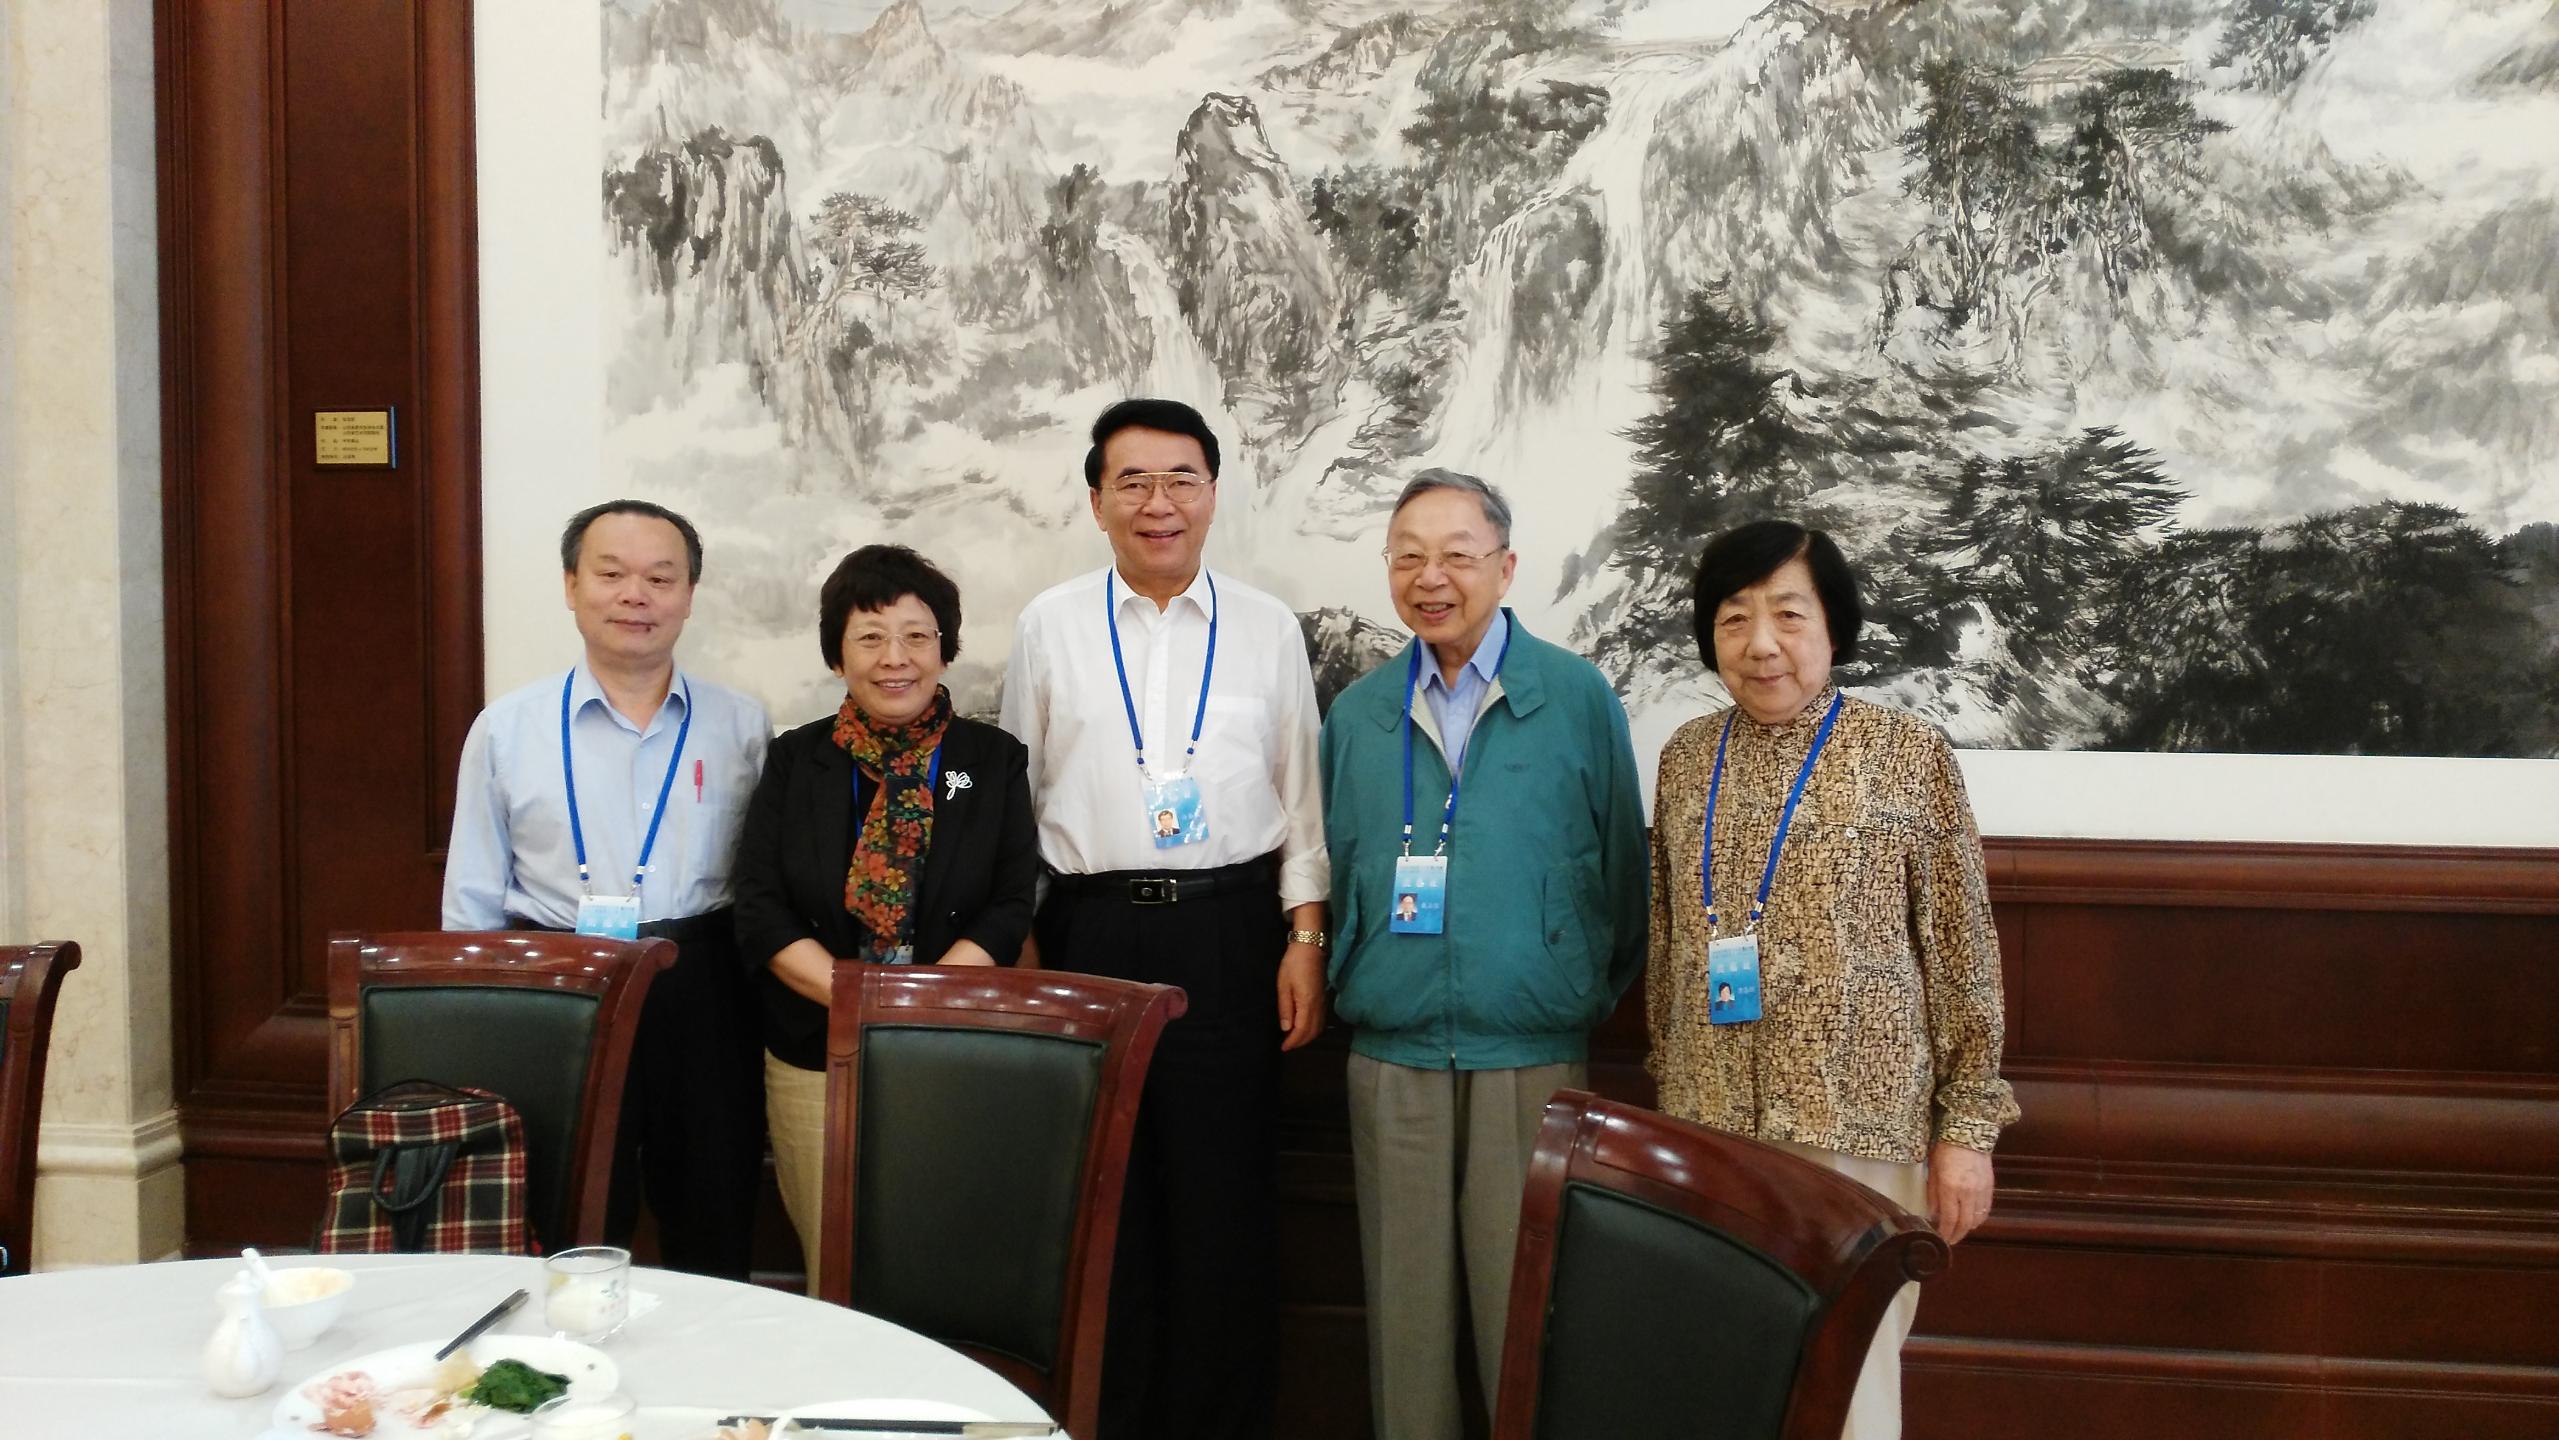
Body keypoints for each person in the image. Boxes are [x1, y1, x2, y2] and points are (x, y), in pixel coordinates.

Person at [1000, 398, 1328, 1440]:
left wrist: (1305, 938)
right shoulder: (1050, 624)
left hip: (1227, 934)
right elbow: (1014, 799)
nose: (1159, 503)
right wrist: (1025, 944)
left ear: (1214, 494)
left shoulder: (1266, 627)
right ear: (1097, 500)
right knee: (1104, 1203)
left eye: (1181, 478)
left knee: (1222, 1206)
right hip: (1089, 933)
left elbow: (1302, 796)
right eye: (1132, 481)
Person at [1647, 519, 2019, 1440]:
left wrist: (1966, 1130)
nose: (1760, 644)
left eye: (1787, 614)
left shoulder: (1905, 753)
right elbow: (1667, 937)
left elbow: (1961, 949)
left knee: (1848, 1383)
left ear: (1834, 627)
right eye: (1733, 618)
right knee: (1728, 1374)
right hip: (1714, 1123)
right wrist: (1672, 1091)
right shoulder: (1685, 757)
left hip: (1862, 1126)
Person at [1317, 470, 1648, 1440]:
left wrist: (1559, 981)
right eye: (1408, 556)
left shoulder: (1576, 698)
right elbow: (1337, 862)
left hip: (1530, 1055)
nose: (1431, 577)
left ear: (1504, 568)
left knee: (1524, 1325)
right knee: (1404, 1330)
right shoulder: (1358, 713)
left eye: (1457, 555)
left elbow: (1622, 880)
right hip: (1392, 1054)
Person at [444, 499, 771, 1278]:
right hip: (558, 984)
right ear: (570, 586)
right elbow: (471, 898)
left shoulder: (742, 726)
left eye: (660, 578)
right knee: (569, 1210)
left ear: (688, 594)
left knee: (713, 1206)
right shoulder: (507, 728)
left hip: (703, 984)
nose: (635, 595)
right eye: (612, 574)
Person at [731, 544, 1038, 1288]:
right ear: (837, 654)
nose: (894, 658)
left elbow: (1008, 903)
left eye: (916, 636)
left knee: (942, 1256)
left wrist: (916, 1004)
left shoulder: (992, 759)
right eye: (870, 637)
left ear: (944, 649)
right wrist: (857, 1001)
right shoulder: (795, 760)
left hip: (949, 1046)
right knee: (832, 1261)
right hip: (816, 1047)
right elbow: (762, 907)